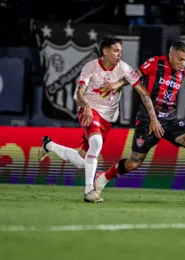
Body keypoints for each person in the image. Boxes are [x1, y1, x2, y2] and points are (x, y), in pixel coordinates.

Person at [37, 35, 164, 203]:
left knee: (82, 160)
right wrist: (87, 107)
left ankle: (49, 145)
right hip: (89, 111)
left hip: (107, 119)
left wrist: (153, 117)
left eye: (121, 51)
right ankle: (89, 191)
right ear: (105, 51)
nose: (119, 54)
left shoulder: (124, 69)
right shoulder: (91, 67)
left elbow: (143, 92)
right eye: (116, 50)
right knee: (96, 142)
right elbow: (78, 93)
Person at [94, 41, 185, 202]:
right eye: (180, 59)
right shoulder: (155, 63)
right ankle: (104, 176)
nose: (183, 64)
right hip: (147, 120)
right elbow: (135, 76)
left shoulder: (182, 72)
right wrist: (118, 84)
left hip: (169, 120)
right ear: (170, 56)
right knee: (133, 163)